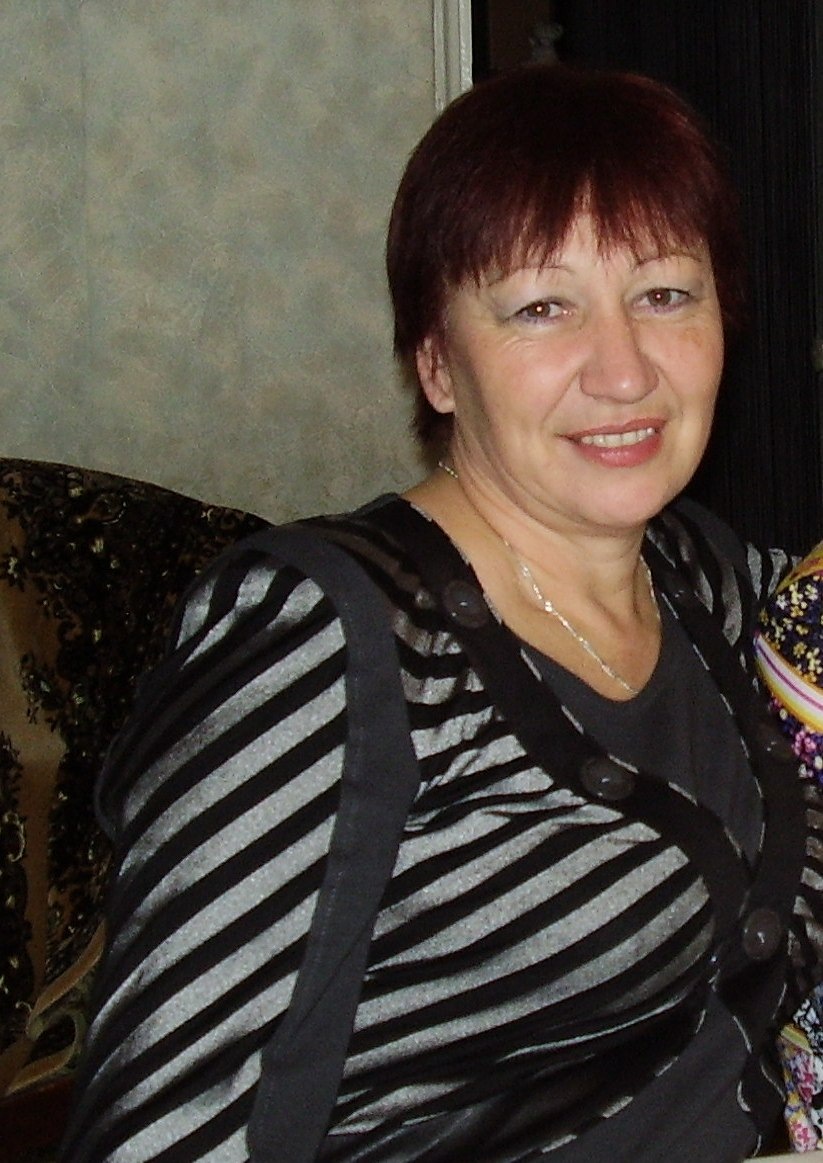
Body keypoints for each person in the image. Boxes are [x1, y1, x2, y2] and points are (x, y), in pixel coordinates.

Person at [60, 63, 823, 1162]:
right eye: (541, 308)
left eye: (664, 294)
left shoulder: (701, 580)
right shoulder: (325, 640)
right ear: (436, 363)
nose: (623, 371)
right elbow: (160, 1128)